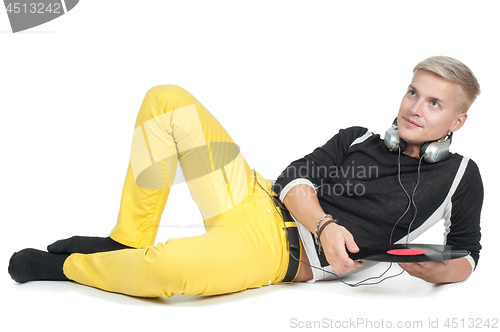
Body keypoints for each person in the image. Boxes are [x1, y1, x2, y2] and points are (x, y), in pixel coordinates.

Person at [8, 55, 483, 297]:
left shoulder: (462, 176)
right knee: (166, 100)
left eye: (434, 103)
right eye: (412, 92)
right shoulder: (358, 136)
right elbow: (292, 177)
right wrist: (325, 223)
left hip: (277, 253)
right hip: (251, 196)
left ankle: (67, 270)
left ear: (456, 122)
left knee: (170, 272)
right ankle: (127, 240)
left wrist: (439, 271)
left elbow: (469, 256)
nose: (413, 109)